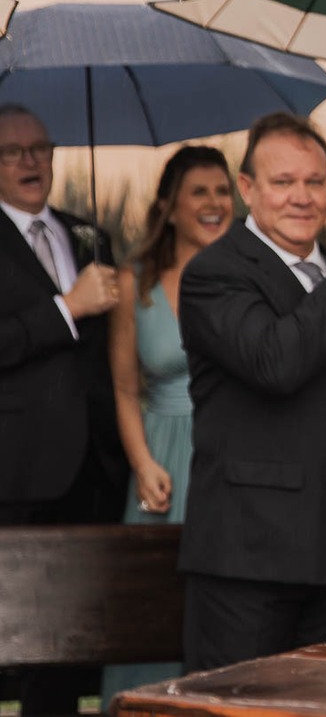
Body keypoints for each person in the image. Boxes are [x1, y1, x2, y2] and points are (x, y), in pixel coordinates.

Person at [177, 112, 326, 672]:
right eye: (283, 182)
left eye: (315, 181)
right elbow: (276, 360)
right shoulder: (215, 273)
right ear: (247, 188)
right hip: (252, 561)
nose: (302, 197)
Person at [0, 104, 127, 715]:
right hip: (16, 474)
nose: (31, 161)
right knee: (13, 640)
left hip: (95, 472)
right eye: (14, 152)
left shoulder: (90, 236)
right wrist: (65, 309)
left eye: (41, 148)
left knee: (70, 650)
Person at [100, 145, 233, 702]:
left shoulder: (245, 279)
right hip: (160, 463)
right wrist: (142, 462)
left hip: (229, 457)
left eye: (223, 191)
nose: (214, 203)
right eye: (199, 191)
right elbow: (126, 388)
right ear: (170, 206)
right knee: (152, 608)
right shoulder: (137, 282)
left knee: (223, 611)